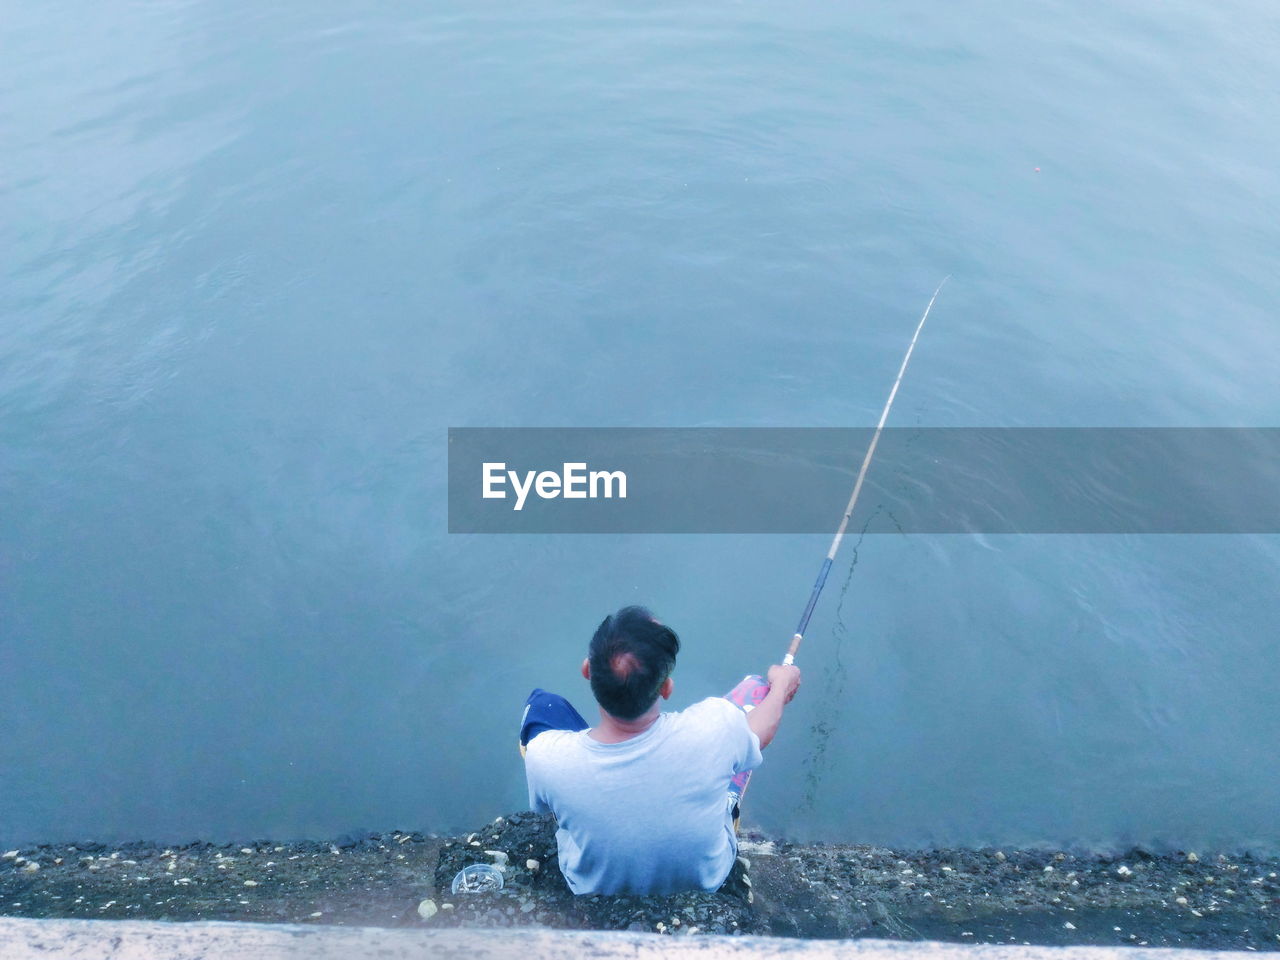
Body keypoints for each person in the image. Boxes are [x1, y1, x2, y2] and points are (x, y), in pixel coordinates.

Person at [519, 605, 801, 896]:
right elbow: (762, 730)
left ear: (586, 670)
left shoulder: (547, 758)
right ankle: (730, 803)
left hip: (593, 885)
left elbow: (540, 809)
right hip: (706, 878)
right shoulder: (714, 728)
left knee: (543, 706)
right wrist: (780, 687)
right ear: (666, 688)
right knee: (755, 691)